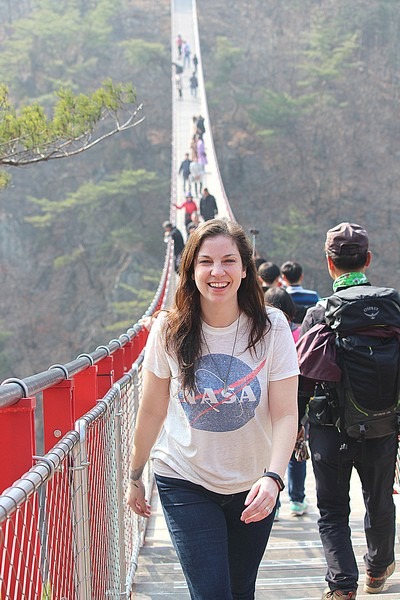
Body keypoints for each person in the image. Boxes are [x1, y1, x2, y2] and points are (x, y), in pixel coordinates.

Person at [126, 219, 299, 600]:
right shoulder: (169, 330)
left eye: (228, 261)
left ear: (244, 269)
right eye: (205, 262)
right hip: (184, 477)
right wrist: (135, 474)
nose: (217, 272)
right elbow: (152, 409)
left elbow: (286, 412)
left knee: (241, 591)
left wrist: (273, 477)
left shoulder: (272, 327)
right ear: (190, 270)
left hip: (254, 483)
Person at [298, 222, 398, 599]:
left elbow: (303, 379)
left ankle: (342, 586)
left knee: (333, 510)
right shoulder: (392, 309)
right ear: (368, 259)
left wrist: (294, 426)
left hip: (329, 429)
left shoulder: (320, 313)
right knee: (379, 499)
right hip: (382, 425)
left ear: (329, 263)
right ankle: (376, 570)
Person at [264, 287, 308, 521]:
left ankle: (275, 504)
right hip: (295, 404)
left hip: (264, 408)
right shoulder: (300, 334)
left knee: (271, 455)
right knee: (295, 453)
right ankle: (298, 500)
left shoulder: (257, 334)